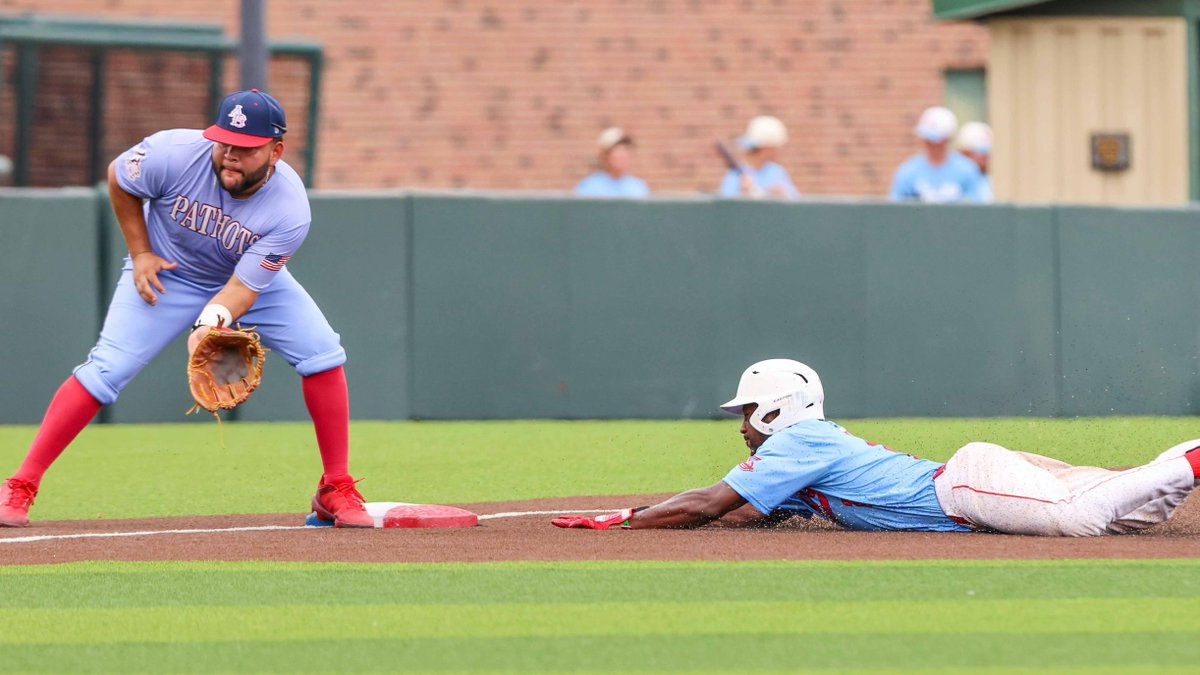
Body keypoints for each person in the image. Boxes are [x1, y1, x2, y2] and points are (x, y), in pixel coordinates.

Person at [0, 89, 374, 528]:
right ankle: (20, 486)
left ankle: (335, 486)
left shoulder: (290, 210)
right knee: (105, 369)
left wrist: (209, 322)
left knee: (322, 353)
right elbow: (119, 179)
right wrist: (140, 253)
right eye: (225, 142)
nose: (231, 155)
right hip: (169, 273)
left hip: (242, 282)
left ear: (276, 151)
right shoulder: (172, 154)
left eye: (247, 148)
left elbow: (243, 287)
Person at [553, 359, 1200, 536]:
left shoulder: (797, 441)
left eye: (749, 410)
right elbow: (744, 509)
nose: (743, 423)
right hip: (975, 483)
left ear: (777, 407)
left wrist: (630, 518)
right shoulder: (801, 450)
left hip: (966, 487)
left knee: (1079, 517)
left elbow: (707, 503)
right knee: (1137, 510)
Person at [889, 106, 988, 203]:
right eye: (927, 139)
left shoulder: (967, 170)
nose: (931, 145)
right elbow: (897, 209)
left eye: (935, 140)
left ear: (948, 139)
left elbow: (977, 206)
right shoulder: (908, 171)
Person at [718, 116, 799, 199]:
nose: (778, 151)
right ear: (765, 148)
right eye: (775, 147)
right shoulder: (736, 174)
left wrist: (781, 196)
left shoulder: (777, 172)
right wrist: (742, 195)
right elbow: (725, 206)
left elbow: (795, 201)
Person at [573, 127, 650, 198]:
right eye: (617, 151)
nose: (622, 156)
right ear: (605, 155)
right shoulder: (589, 188)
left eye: (625, 151)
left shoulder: (638, 188)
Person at [957, 121, 994, 203]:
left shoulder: (988, 181)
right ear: (964, 153)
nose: (984, 158)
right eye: (981, 152)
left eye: (986, 153)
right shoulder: (955, 181)